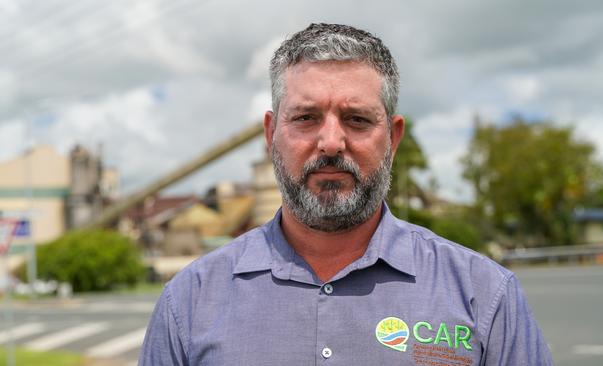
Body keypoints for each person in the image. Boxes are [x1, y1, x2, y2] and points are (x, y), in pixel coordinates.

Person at [139, 23, 553, 365]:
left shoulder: (485, 296)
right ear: (271, 134)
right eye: (306, 117)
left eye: (356, 119)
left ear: (392, 137)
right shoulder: (189, 302)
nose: (331, 142)